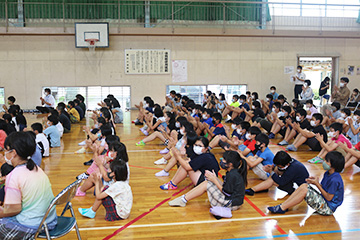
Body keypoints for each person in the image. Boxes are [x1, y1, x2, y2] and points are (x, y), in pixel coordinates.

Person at [0, 132, 57, 238]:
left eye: (6, 150)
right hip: (49, 219)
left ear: (14, 153)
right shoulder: (36, 168)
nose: (4, 153)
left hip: (32, 225)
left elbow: (13, 210)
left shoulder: (14, 176)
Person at [268, 151, 344, 215]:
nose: (324, 162)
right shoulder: (327, 173)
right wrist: (315, 182)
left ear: (333, 165)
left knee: (305, 190)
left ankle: (282, 207)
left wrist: (317, 184)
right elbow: (325, 190)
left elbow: (329, 197)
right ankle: (283, 206)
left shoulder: (335, 179)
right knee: (304, 186)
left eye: (327, 161)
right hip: (324, 201)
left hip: (328, 208)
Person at [168, 151, 247, 211]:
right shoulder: (233, 172)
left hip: (231, 203)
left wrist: (215, 181)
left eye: (224, 160)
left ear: (230, 164)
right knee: (209, 181)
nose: (222, 160)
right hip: (233, 200)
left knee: (206, 183)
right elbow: (227, 188)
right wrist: (214, 178)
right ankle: (183, 199)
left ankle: (183, 200)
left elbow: (227, 192)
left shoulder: (232, 175)